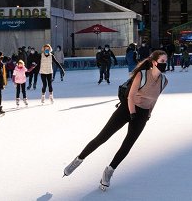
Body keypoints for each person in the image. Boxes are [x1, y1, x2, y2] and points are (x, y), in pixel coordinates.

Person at [63, 50, 169, 191]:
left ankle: (109, 171)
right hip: (127, 109)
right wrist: (132, 113)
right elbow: (130, 96)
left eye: (166, 61)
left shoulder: (164, 81)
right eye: (162, 61)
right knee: (103, 137)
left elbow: (154, 100)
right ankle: (78, 160)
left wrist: (148, 114)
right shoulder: (142, 75)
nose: (165, 64)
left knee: (127, 145)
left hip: (142, 114)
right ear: (154, 62)